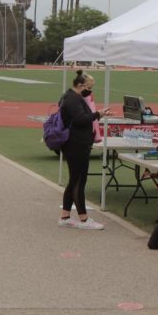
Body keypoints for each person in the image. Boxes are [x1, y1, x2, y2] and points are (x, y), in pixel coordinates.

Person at [59, 70, 112, 230]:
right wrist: (97, 114)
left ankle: (65, 216)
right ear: (81, 85)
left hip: (77, 143)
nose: (90, 91)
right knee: (79, 181)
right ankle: (83, 219)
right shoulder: (72, 99)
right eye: (88, 87)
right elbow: (80, 119)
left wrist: (97, 115)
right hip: (76, 144)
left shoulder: (71, 97)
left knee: (74, 180)